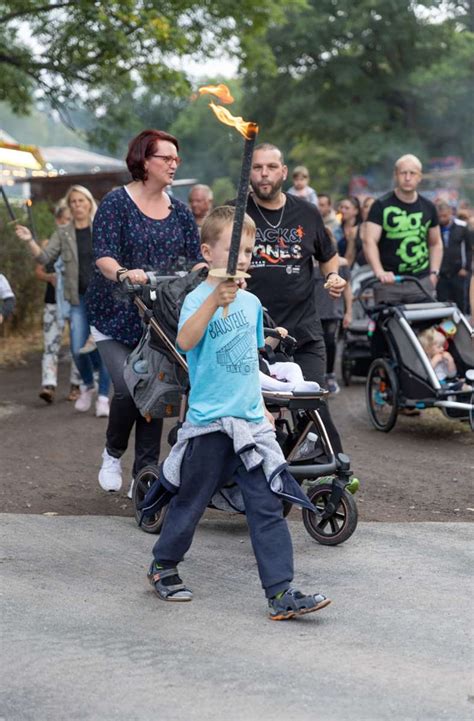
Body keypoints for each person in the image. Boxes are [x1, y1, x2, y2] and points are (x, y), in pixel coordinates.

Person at [146, 205, 332, 620]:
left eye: (248, 250)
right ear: (208, 251)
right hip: (210, 425)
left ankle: (281, 593)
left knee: (266, 506)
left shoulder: (250, 304)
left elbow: (250, 362)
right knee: (191, 501)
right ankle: (164, 565)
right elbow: (186, 340)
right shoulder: (196, 298)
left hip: (249, 425)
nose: (243, 257)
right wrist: (214, 298)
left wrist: (262, 407)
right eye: (234, 249)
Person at [86, 128, 202, 494]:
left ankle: (145, 473)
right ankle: (112, 452)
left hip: (159, 319)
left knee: (156, 391)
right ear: (144, 161)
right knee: (125, 388)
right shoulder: (116, 203)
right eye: (166, 158)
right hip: (115, 316)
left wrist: (205, 274)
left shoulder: (181, 212)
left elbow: (197, 259)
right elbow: (103, 254)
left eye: (176, 159)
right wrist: (122, 272)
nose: (173, 164)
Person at [242, 142, 347, 455]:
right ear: (249, 172)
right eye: (258, 167)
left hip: (303, 333)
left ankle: (333, 476)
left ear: (283, 171)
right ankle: (273, 473)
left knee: (313, 406)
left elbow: (329, 256)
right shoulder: (235, 214)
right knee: (264, 416)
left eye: (271, 167)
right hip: (253, 337)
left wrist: (332, 277)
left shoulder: (307, 212)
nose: (264, 174)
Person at [15, 186, 111, 416]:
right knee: (78, 350)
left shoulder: (102, 228)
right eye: (74, 202)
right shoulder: (63, 232)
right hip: (77, 300)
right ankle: (88, 386)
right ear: (70, 206)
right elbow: (44, 257)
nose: (77, 205)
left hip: (103, 299)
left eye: (81, 201)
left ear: (89, 203)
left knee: (105, 348)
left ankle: (104, 398)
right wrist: (29, 240)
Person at [363, 154, 443, 305]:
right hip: (388, 282)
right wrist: (379, 272)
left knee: (426, 326)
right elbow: (369, 241)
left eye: (412, 173)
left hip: (421, 281)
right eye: (403, 173)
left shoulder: (429, 206)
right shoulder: (381, 205)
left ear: (420, 177)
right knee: (388, 326)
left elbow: (435, 243)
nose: (407, 178)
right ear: (395, 175)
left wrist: (434, 273)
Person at [35, 202, 83, 404]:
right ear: (58, 221)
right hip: (52, 300)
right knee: (50, 344)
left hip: (74, 301)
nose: (68, 224)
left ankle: (76, 385)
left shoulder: (79, 242)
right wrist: (50, 278)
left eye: (70, 220)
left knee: (77, 344)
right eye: (65, 220)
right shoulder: (50, 244)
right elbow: (38, 270)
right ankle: (48, 384)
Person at [314, 229, 353, 394]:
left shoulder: (340, 265)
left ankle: (330, 375)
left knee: (330, 342)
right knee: (314, 344)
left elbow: (347, 289)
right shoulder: (308, 262)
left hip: (332, 310)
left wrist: (348, 311)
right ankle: (315, 376)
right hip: (313, 312)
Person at [260, 327, 321, 393]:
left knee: (292, 367)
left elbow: (263, 347)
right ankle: (289, 388)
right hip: (250, 372)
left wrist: (276, 334)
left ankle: (299, 386)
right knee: (256, 375)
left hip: (260, 363)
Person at [436, 202, 471, 313]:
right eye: (440, 216)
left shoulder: (462, 227)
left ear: (450, 213)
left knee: (461, 300)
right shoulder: (435, 228)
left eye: (444, 216)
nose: (442, 219)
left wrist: (466, 268)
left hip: (458, 271)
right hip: (441, 272)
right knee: (442, 301)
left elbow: (469, 249)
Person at [338, 196, 362, 267]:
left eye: (346, 208)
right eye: (341, 207)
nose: (343, 210)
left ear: (356, 210)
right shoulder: (336, 230)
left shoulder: (361, 230)